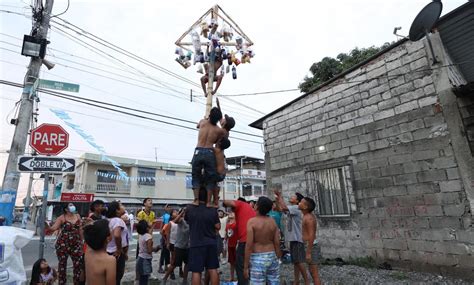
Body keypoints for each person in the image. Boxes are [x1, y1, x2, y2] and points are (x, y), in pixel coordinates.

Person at [191, 107, 226, 207]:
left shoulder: (202, 122)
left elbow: (197, 126)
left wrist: (206, 119)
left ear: (210, 115)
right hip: (209, 151)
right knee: (210, 178)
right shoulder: (219, 130)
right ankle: (208, 202)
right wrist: (222, 123)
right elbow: (217, 141)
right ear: (218, 119)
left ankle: (196, 200)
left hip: (198, 150)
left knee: (196, 175)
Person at [185, 187, 221, 285]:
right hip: (211, 243)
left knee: (196, 271)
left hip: (196, 243)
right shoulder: (212, 209)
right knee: (213, 269)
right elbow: (218, 226)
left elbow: (187, 221)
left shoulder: (189, 208)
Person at [244, 196, 282, 284]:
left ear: (257, 206)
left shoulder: (252, 222)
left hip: (258, 258)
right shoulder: (272, 221)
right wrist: (278, 257)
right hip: (272, 256)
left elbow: (249, 245)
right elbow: (277, 242)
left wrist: (245, 267)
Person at [45, 203, 84, 285]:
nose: (73, 206)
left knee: (78, 265)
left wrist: (82, 241)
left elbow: (80, 229)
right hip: (63, 244)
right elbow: (53, 228)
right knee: (62, 266)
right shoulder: (62, 217)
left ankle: (77, 283)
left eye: (73, 205)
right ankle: (62, 283)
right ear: (66, 209)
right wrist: (47, 226)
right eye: (70, 205)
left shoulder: (77, 216)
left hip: (76, 244)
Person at [274, 188, 308, 285]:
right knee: (296, 262)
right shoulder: (292, 209)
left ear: (297, 201)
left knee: (300, 262)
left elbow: (284, 207)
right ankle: (296, 281)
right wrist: (277, 199)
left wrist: (280, 196)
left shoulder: (296, 208)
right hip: (293, 239)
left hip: (297, 239)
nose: (291, 197)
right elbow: (280, 209)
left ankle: (306, 281)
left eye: (293, 196)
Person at [223, 197, 256, 285]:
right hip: (253, 240)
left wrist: (223, 202)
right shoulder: (249, 209)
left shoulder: (240, 204)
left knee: (240, 265)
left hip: (245, 241)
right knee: (249, 264)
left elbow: (227, 201)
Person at [83, 219, 116, 285]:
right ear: (108, 238)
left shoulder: (88, 253)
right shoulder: (110, 260)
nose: (112, 230)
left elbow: (90, 235)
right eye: (111, 229)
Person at [105, 201, 128, 285]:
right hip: (116, 253)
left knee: (109, 277)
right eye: (121, 205)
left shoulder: (108, 220)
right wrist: (119, 249)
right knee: (117, 277)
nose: (123, 206)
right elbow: (117, 235)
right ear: (117, 210)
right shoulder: (118, 220)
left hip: (107, 251)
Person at [163, 208, 190, 283]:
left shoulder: (191, 222)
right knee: (174, 264)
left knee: (187, 264)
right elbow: (174, 221)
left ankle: (184, 280)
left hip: (187, 246)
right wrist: (181, 213)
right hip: (179, 246)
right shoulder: (181, 220)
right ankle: (165, 278)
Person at [300, 197, 321, 285]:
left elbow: (312, 235)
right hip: (308, 245)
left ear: (305, 207)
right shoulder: (305, 216)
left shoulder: (309, 218)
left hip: (311, 246)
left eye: (301, 202)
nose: (299, 203)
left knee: (314, 273)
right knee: (312, 271)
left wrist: (308, 252)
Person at [136, 220, 160, 285]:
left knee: (142, 279)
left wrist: (153, 225)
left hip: (140, 259)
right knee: (144, 280)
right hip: (145, 260)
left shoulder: (141, 235)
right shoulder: (148, 237)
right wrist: (156, 248)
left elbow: (150, 231)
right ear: (146, 227)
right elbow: (149, 250)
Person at [212, 138, 231, 208]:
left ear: (219, 143)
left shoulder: (215, 151)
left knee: (214, 189)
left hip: (216, 175)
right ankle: (216, 200)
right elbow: (226, 168)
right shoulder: (222, 153)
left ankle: (215, 200)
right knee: (216, 190)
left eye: (218, 140)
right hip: (220, 175)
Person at [225, 212, 238, 282]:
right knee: (231, 262)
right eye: (230, 213)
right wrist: (225, 241)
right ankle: (232, 277)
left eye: (233, 213)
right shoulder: (227, 225)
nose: (231, 214)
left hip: (236, 245)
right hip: (230, 246)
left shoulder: (237, 223)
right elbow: (227, 234)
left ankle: (239, 276)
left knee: (237, 262)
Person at [159, 205, 172, 273]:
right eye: (168, 207)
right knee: (163, 252)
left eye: (170, 207)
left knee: (167, 252)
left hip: (169, 236)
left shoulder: (171, 216)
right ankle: (160, 266)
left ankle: (166, 266)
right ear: (165, 209)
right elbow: (162, 228)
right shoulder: (165, 216)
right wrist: (165, 238)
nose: (169, 208)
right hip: (164, 236)